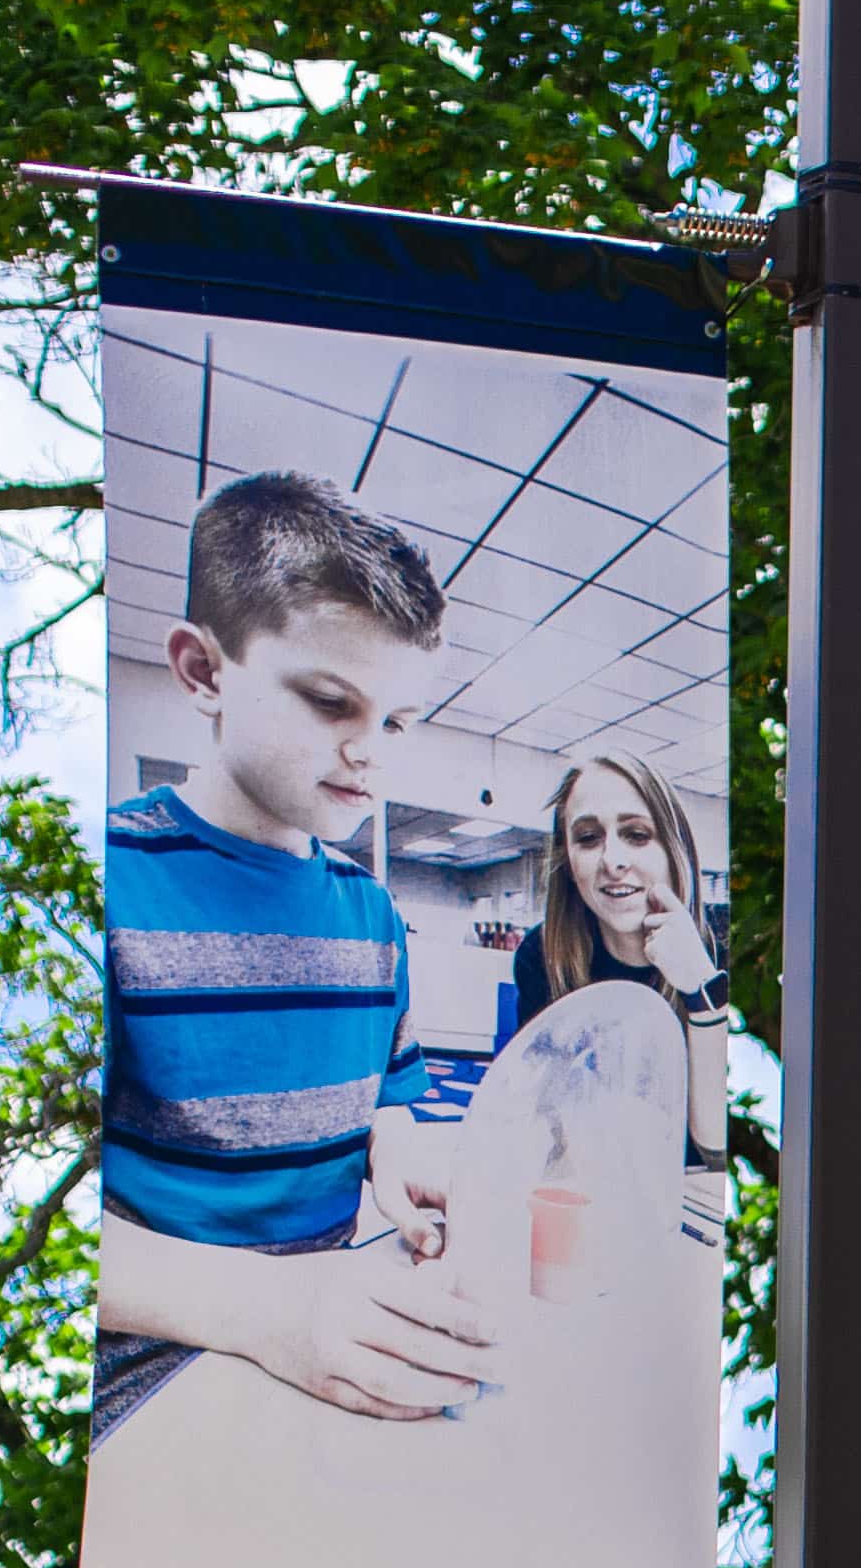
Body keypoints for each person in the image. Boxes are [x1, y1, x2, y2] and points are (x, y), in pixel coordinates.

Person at [93, 471, 488, 1428]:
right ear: (201, 671)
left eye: (394, 722)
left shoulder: (372, 915)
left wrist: (396, 1163)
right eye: (329, 702)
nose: (372, 754)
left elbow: (385, 1104)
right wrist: (269, 1309)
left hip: (325, 1346)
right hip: (156, 1382)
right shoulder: (107, 884)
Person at [499, 749, 731, 1168]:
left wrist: (700, 988)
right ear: (569, 863)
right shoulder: (541, 957)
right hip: (594, 1189)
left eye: (637, 835)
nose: (613, 861)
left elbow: (716, 1149)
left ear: (673, 849)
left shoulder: (724, 945)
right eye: (588, 838)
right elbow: (541, 1123)